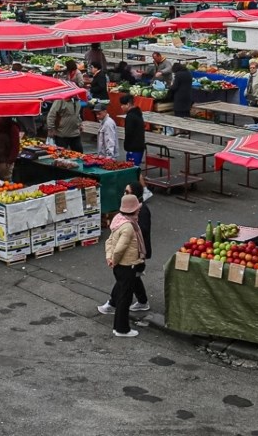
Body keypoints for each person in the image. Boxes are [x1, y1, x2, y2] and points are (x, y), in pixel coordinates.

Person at [98, 181, 152, 314]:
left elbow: (142, 232)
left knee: (125, 279)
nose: (124, 194)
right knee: (133, 277)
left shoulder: (141, 211)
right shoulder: (132, 210)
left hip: (137, 252)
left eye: (127, 192)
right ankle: (142, 301)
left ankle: (112, 303)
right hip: (135, 252)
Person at [101, 194, 147, 337]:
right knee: (124, 298)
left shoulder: (118, 220)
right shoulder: (129, 226)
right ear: (133, 210)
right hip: (127, 266)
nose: (139, 211)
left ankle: (119, 327)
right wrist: (114, 259)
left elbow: (109, 241)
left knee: (122, 294)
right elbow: (120, 248)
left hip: (120, 266)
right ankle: (122, 329)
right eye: (137, 209)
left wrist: (110, 258)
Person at [120, 94, 146, 166]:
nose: (121, 107)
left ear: (128, 104)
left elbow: (129, 133)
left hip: (134, 148)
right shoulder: (137, 113)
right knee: (136, 170)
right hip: (139, 146)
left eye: (122, 105)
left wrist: (126, 146)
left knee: (134, 170)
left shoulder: (130, 116)